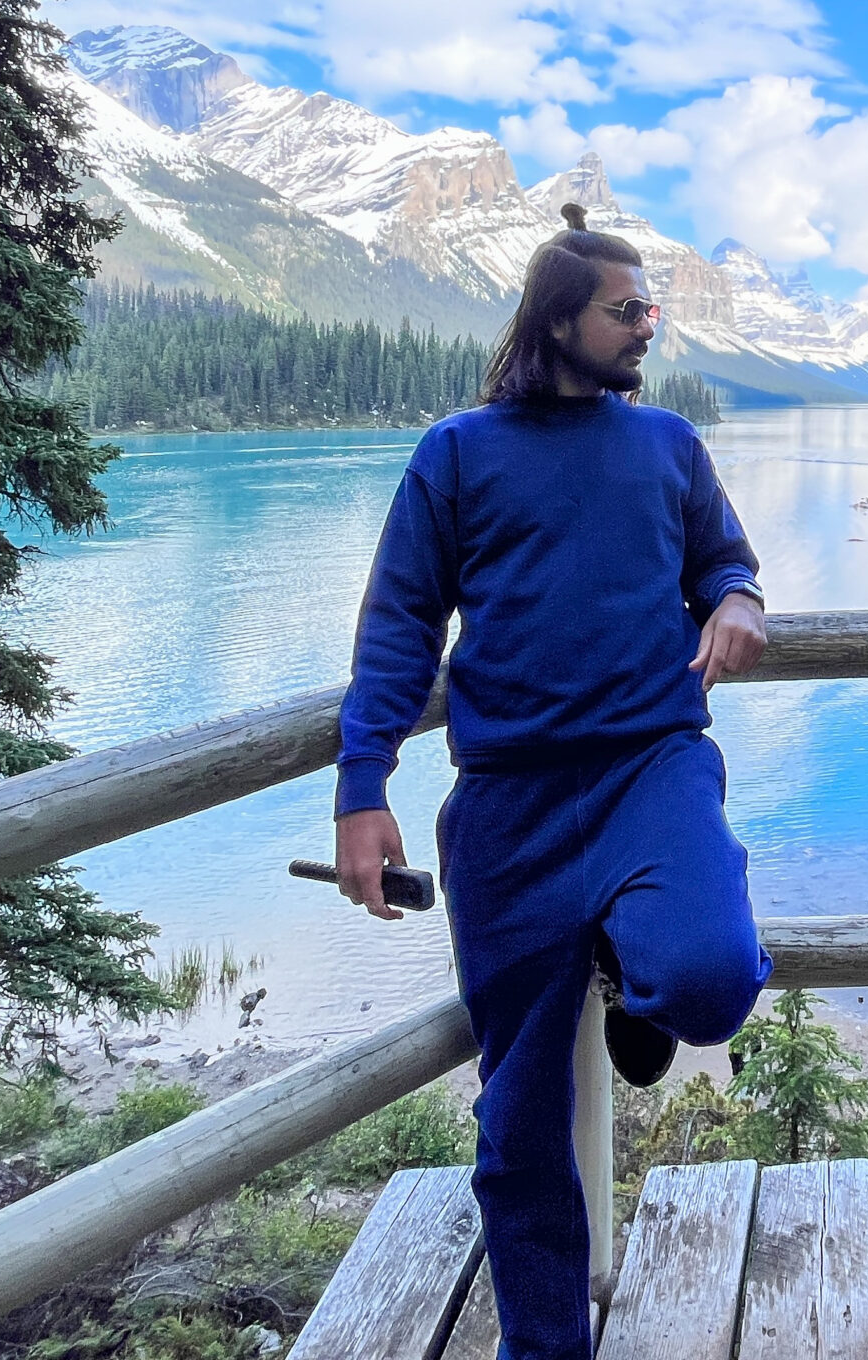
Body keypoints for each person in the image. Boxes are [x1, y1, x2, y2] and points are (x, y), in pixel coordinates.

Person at [334, 205, 772, 1360]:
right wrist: (360, 787)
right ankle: (544, 1347)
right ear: (557, 319)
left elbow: (724, 559)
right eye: (626, 311)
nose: (646, 328)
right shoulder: (457, 454)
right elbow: (397, 630)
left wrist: (734, 599)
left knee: (712, 977)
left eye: (651, 309)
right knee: (518, 1121)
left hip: (653, 766)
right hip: (509, 805)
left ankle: (634, 977)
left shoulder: (670, 445)